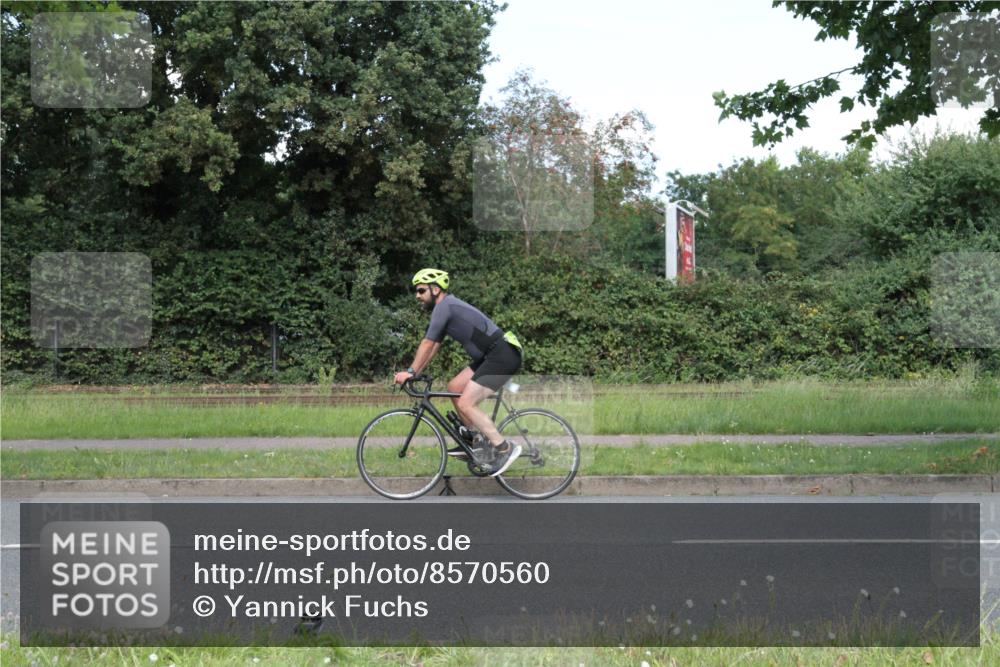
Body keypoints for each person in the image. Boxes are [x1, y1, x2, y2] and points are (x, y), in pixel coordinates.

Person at [394, 268, 523, 476]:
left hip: (502, 354)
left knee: (466, 402)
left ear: (435, 289)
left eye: (420, 290)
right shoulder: (446, 307)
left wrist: (409, 371)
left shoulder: (444, 307)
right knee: (454, 387)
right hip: (491, 356)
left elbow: (427, 343)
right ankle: (476, 442)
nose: (417, 296)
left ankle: (504, 448)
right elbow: (434, 346)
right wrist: (416, 372)